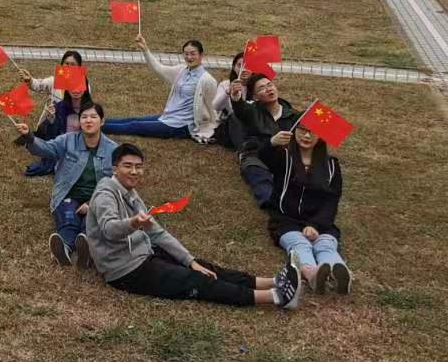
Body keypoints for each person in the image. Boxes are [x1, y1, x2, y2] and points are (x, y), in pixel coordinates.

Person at [85, 143, 303, 309]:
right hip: (124, 270)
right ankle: (276, 297)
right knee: (195, 280)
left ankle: (272, 281)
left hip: (144, 253)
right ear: (115, 168)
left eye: (138, 167)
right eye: (128, 166)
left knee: (202, 267)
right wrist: (133, 223)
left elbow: (158, 233)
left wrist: (190, 260)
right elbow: (109, 230)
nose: (134, 171)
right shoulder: (106, 194)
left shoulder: (130, 193)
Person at [14, 102, 116, 267]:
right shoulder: (68, 140)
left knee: (92, 221)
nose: (88, 120)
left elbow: (115, 183)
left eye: (93, 117)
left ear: (102, 121)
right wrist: (30, 137)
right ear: (79, 121)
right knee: (68, 219)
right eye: (84, 117)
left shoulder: (113, 150)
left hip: (97, 198)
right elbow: (47, 149)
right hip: (67, 194)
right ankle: (65, 247)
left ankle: (87, 247)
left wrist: (92, 203)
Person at [260, 124, 351, 294]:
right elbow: (263, 156)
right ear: (294, 131)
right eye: (302, 130)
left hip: (321, 222)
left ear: (321, 136)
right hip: (286, 220)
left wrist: (316, 225)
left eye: (312, 132)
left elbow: (332, 200)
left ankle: (339, 273)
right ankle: (313, 276)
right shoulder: (284, 157)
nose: (306, 136)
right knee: (300, 244)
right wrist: (272, 143)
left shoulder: (331, 165)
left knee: (325, 245)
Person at [102, 34, 219, 141]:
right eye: (186, 54)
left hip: (180, 126)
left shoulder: (207, 80)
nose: (189, 57)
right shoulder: (181, 70)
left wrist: (211, 129)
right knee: (133, 120)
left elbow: (213, 107)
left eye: (193, 54)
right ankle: (97, 122)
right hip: (167, 117)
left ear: (201, 55)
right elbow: (159, 69)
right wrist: (145, 50)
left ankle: (95, 128)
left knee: (134, 126)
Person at [16, 51, 93, 178]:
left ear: (79, 67)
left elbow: (85, 109)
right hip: (50, 123)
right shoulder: (54, 81)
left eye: (73, 64)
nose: (69, 67)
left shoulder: (85, 86)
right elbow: (38, 85)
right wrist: (29, 80)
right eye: (66, 63)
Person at [226, 73, 299, 208]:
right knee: (256, 172)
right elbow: (240, 108)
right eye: (262, 88)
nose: (268, 89)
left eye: (270, 85)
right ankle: (271, 203)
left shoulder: (293, 115)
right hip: (256, 155)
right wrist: (235, 96)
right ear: (255, 97)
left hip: (282, 159)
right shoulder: (251, 111)